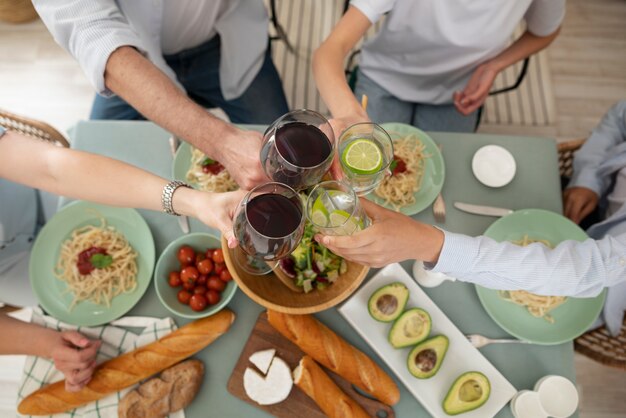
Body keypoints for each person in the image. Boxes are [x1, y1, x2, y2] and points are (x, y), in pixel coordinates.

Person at [317, 101, 626, 332]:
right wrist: (588, 178)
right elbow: (618, 119)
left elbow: (585, 271)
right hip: (591, 204)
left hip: (604, 285)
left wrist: (430, 245)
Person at [0, 126, 246, 391]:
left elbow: (50, 167)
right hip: (14, 274)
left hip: (38, 191)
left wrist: (193, 201)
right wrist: (46, 343)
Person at [32, 0, 290, 189]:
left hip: (224, 36)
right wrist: (222, 141)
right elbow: (92, 32)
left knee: (285, 156)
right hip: (130, 59)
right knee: (91, 169)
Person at [313, 0, 564, 135]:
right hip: (384, 78)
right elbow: (328, 52)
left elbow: (545, 32)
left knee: (441, 184)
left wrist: (494, 66)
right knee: (365, 184)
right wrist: (350, 114)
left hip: (456, 92)